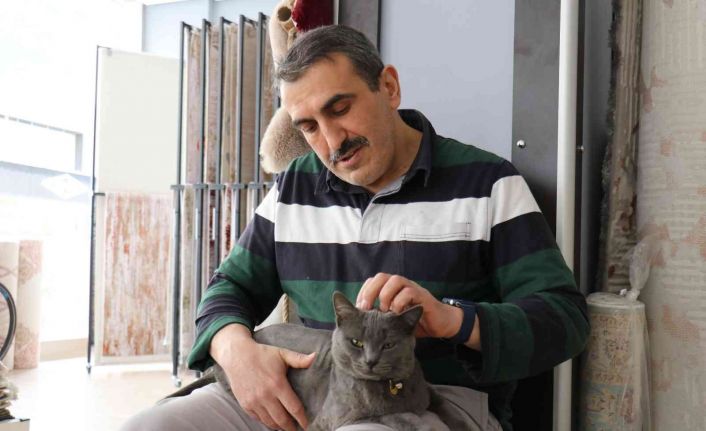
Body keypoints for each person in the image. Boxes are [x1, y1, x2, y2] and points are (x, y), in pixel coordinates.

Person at [122, 25, 589, 431]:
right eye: (308, 127)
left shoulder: (487, 183)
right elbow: (229, 289)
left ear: (389, 87)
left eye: (340, 109)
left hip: (429, 403)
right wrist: (236, 351)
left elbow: (564, 320)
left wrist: (452, 319)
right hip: (306, 394)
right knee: (149, 426)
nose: (331, 141)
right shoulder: (294, 187)